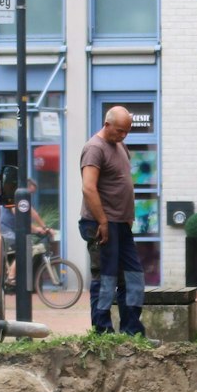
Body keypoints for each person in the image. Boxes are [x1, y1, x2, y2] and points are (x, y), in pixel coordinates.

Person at [80, 106, 145, 335]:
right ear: (106, 125)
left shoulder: (120, 145)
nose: (123, 135)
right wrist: (103, 222)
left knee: (133, 277)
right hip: (101, 224)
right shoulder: (94, 148)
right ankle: (103, 332)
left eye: (127, 131)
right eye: (119, 131)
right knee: (105, 278)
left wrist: (128, 218)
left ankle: (132, 331)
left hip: (121, 224)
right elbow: (89, 188)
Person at [0, 177, 48, 293]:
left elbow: (33, 213)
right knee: (26, 248)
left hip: (11, 230)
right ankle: (11, 276)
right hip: (4, 230)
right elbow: (20, 218)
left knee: (26, 245)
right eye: (30, 192)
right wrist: (36, 229)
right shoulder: (15, 197)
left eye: (32, 193)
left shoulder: (23, 200)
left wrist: (45, 227)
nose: (30, 195)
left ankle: (11, 273)